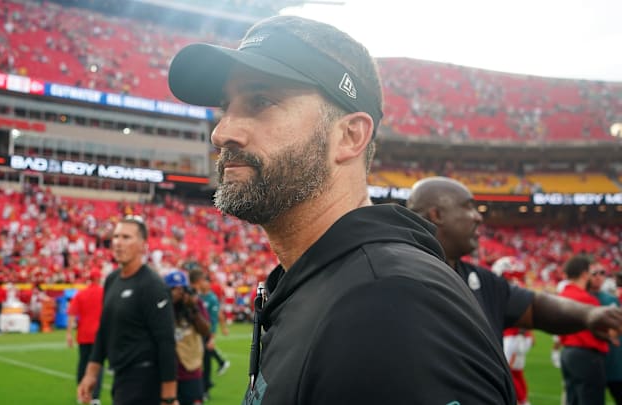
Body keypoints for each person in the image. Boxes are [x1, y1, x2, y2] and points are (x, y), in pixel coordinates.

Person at [168, 15, 515, 404]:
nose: (221, 132)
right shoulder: (321, 282)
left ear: (350, 136)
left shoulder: (391, 304)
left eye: (260, 101)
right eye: (226, 105)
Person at [406, 176, 622, 341]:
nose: (479, 216)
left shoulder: (481, 280)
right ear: (437, 215)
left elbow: (535, 307)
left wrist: (589, 314)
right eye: (468, 206)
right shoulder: (397, 277)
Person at [77, 216, 178, 405]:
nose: (118, 243)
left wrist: (169, 396)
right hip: (121, 377)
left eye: (126, 237)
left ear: (143, 245)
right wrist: (91, 373)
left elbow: (166, 342)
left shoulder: (153, 285)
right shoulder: (112, 280)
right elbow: (104, 330)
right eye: (115, 237)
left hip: (146, 381)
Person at [558, 255, 609, 405]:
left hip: (568, 352)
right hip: (587, 355)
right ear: (585, 274)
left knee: (572, 398)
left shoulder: (562, 295)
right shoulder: (588, 300)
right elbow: (606, 329)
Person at [492, 256, 534, 405]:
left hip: (513, 336)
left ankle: (520, 401)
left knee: (506, 372)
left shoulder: (507, 288)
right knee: (516, 373)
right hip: (517, 336)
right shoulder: (517, 287)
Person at [165, 270, 211, 405]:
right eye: (173, 288)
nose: (177, 292)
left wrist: (193, 308)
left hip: (190, 370)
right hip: (166, 373)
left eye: (181, 289)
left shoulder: (194, 305)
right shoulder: (162, 306)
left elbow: (205, 330)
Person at [188, 269, 230, 400]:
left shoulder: (212, 298)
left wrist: (212, 337)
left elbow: (214, 318)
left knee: (205, 362)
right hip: (197, 334)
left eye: (206, 281)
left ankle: (205, 389)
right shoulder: (198, 296)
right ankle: (204, 384)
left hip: (206, 334)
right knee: (198, 362)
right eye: (204, 280)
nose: (205, 283)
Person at [67, 270, 104, 405]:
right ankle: (95, 397)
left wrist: (69, 334)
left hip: (83, 335)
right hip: (99, 335)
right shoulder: (104, 292)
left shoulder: (81, 294)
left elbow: (72, 313)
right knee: (97, 366)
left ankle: (82, 394)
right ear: (99, 279)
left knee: (83, 364)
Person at [588, 263, 622, 403]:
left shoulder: (611, 299)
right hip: (591, 358)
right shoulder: (582, 298)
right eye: (594, 273)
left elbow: (618, 327)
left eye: (602, 273)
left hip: (614, 358)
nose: (598, 277)